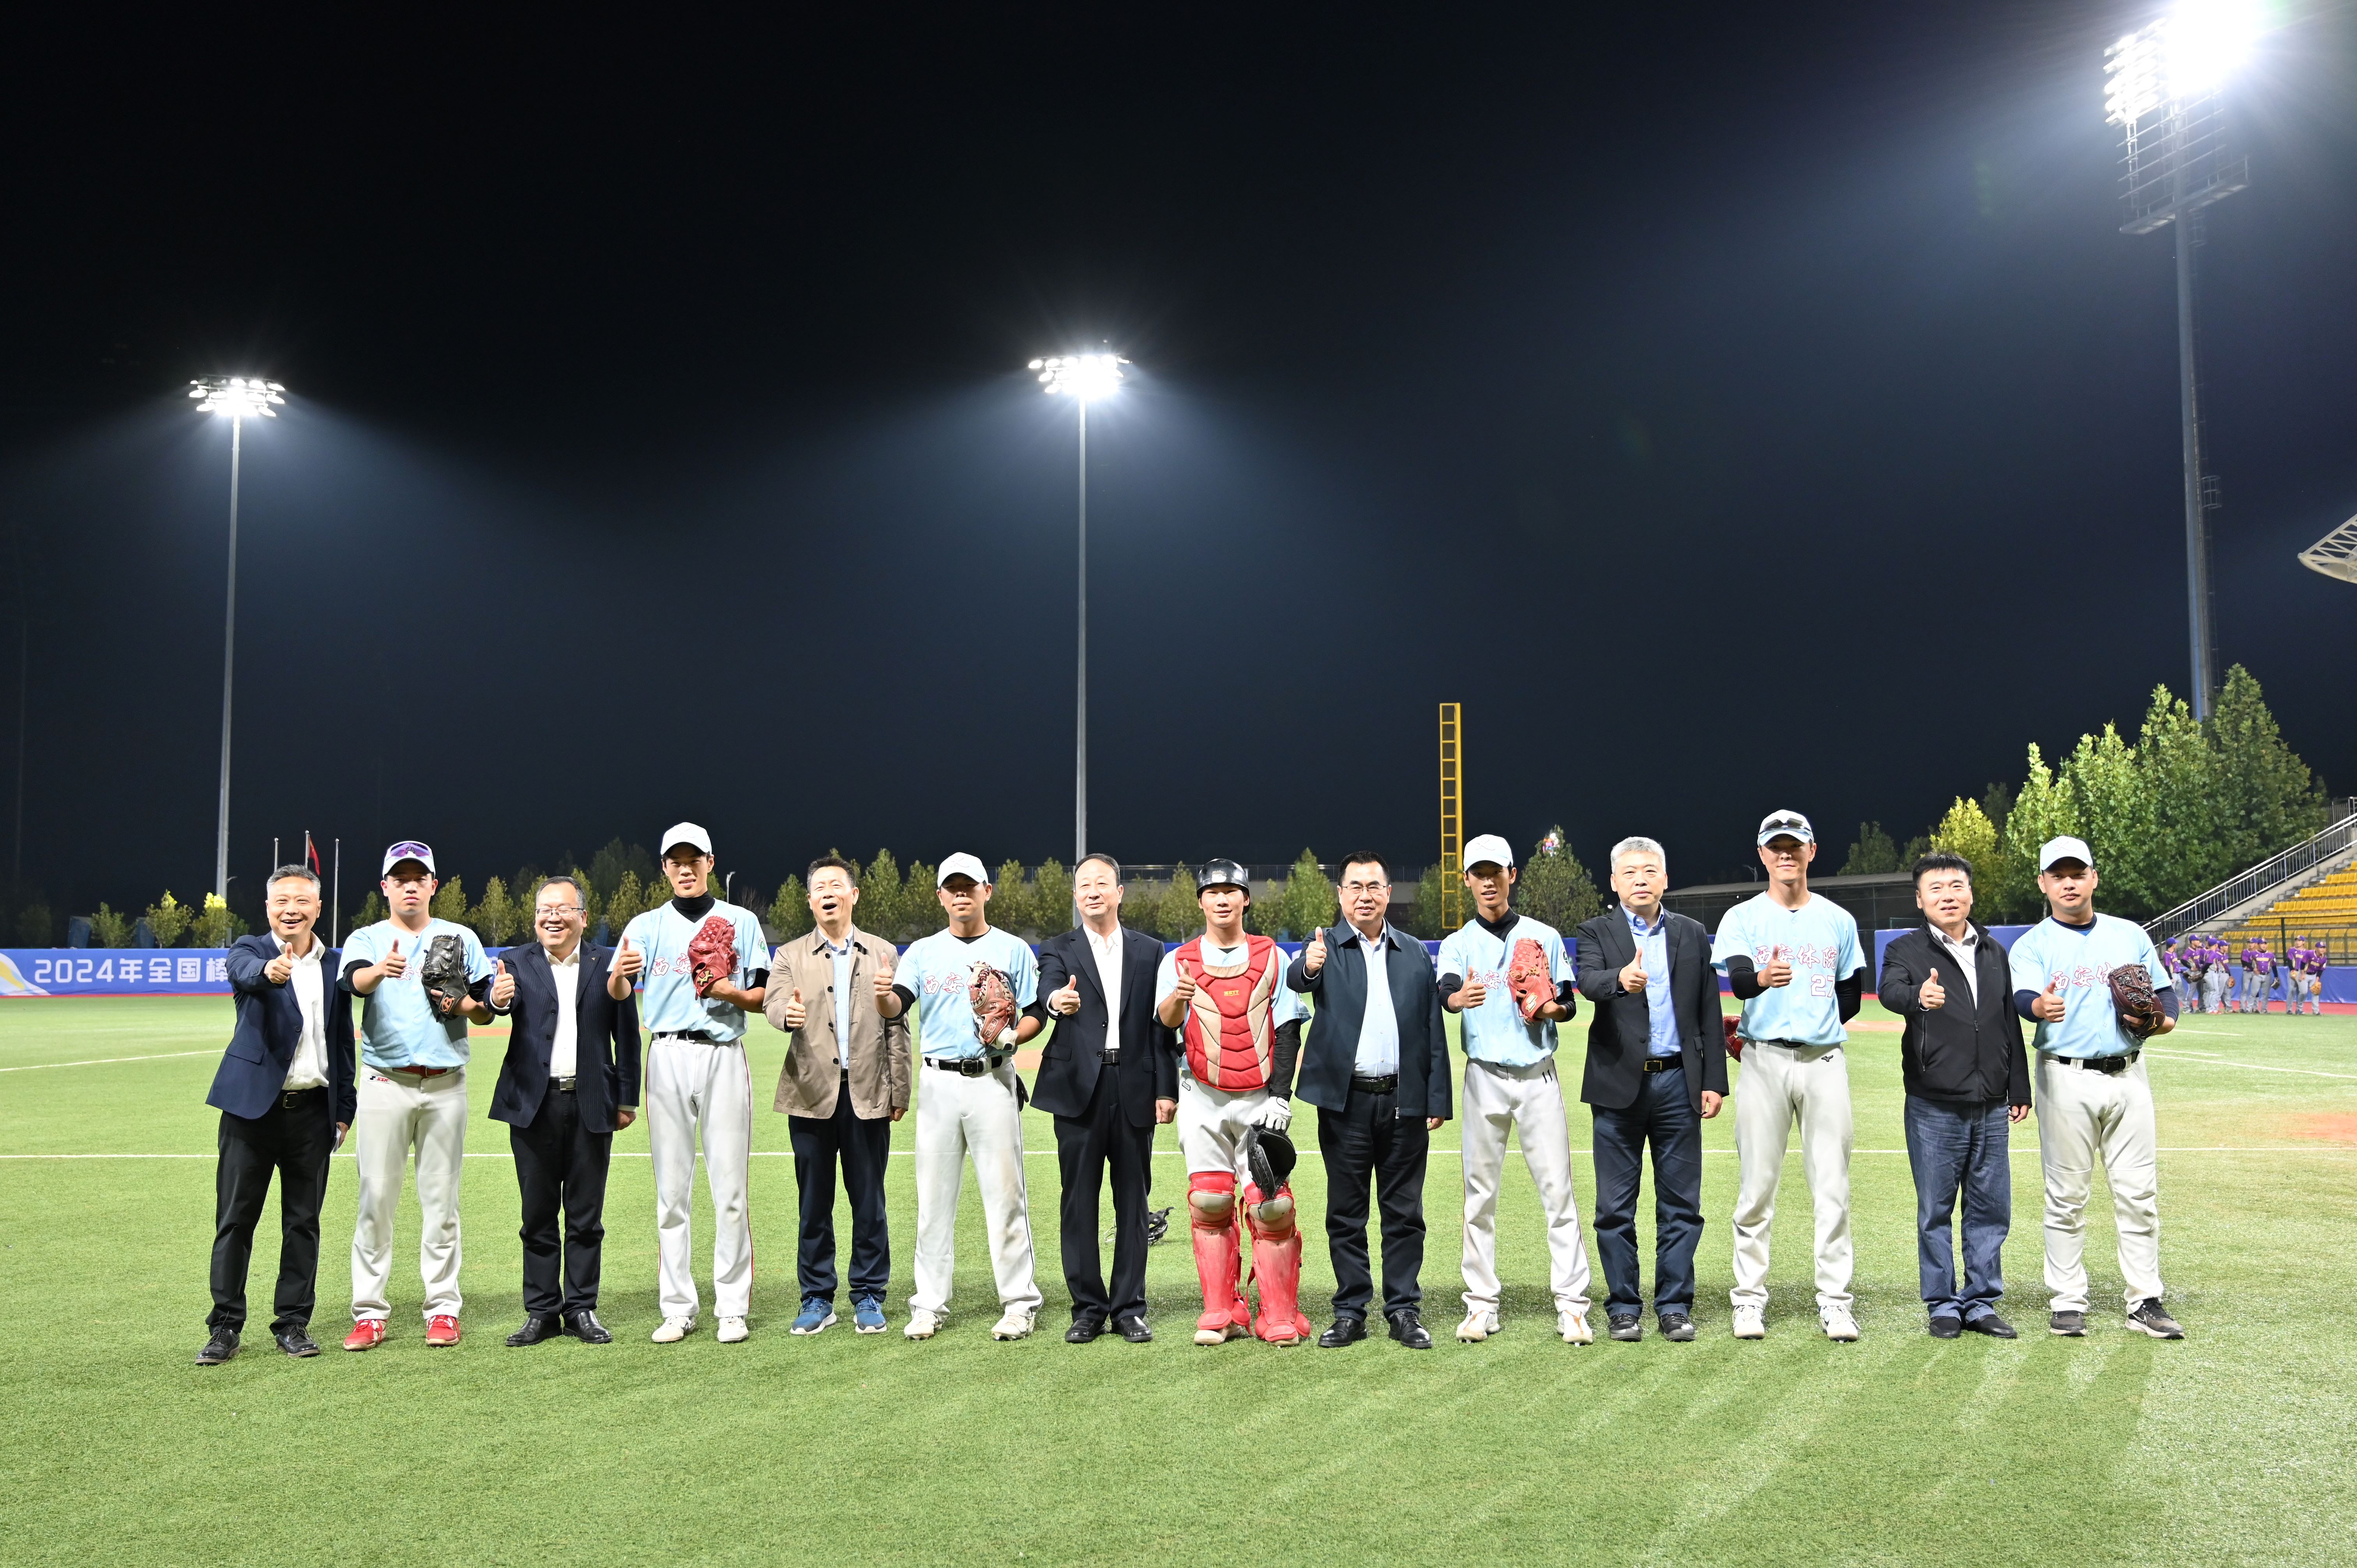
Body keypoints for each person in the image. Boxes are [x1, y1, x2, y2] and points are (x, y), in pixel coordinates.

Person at [2010, 835, 2184, 1338]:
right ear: (2043, 883)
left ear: (2094, 878)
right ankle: (2068, 1301)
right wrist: (2039, 1007)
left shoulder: (2129, 934)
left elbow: (2168, 1002)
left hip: (2130, 1075)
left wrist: (2155, 1022)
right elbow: (2024, 998)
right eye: (2058, 875)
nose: (2069, 883)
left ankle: (2145, 1300)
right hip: (2064, 1076)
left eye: (2078, 873)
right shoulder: (2033, 944)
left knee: (2139, 1193)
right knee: (2066, 1196)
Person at [610, 822, 769, 1345]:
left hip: (723, 1053)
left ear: (710, 863)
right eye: (675, 861)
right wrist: (621, 974)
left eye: (693, 859)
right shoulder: (646, 925)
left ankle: (732, 1307)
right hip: (667, 1055)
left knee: (731, 1190)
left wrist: (726, 990)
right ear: (664, 867)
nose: (684, 868)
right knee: (671, 1193)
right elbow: (618, 991)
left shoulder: (741, 921)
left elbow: (763, 996)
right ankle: (678, 1307)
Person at [1288, 852, 1451, 1351]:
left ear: (1388, 893)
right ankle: (1350, 1312)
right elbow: (1299, 978)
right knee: (1346, 1213)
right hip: (1347, 1103)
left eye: (1374, 886)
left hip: (1404, 1100)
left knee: (1405, 1213)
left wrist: (1437, 1096)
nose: (1365, 895)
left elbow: (1433, 1029)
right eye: (1355, 886)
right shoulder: (1325, 946)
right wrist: (1309, 966)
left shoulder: (1414, 953)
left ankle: (1403, 1310)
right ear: (1341, 895)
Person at [1438, 833, 1595, 1346]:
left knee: (1559, 1194)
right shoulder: (1459, 943)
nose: (1488, 882)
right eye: (1479, 874)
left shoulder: (1542, 936)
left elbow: (1569, 1002)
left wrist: (1551, 1009)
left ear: (1512, 875)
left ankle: (1572, 1306)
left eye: (1496, 872)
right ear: (1467, 880)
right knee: (1479, 1198)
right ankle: (1481, 1305)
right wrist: (1458, 999)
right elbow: (1447, 991)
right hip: (1483, 1077)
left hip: (1537, 1077)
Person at [1714, 810, 1865, 1342]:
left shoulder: (1838, 920)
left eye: (1794, 845)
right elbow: (1738, 981)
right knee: (1756, 1188)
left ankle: (1836, 1302)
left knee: (1833, 1187)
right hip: (1764, 1061)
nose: (1785, 853)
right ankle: (1748, 1300)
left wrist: (1814, 1021)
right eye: (1775, 846)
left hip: (1824, 1062)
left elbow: (1851, 994)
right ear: (1762, 855)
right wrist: (1761, 979)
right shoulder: (1742, 918)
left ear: (1811, 851)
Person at [198, 865, 355, 1365]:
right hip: (250, 1114)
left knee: (303, 1223)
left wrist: (344, 1110)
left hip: (312, 1113)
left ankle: (292, 1323)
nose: (292, 909)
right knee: (235, 1220)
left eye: (302, 900)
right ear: (268, 908)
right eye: (282, 900)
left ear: (318, 908)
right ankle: (225, 1325)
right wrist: (271, 972)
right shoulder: (249, 949)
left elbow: (341, 1040)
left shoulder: (335, 965)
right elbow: (245, 973)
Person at [339, 841, 493, 1350]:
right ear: (385, 886)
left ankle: (443, 1308)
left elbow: (485, 1009)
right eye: (400, 878)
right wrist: (378, 971)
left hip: (446, 1083)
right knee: (375, 1199)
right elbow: (353, 983)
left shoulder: (460, 937)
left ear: (433, 885)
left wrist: (471, 1004)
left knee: (442, 1203)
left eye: (418, 877)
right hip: (386, 1081)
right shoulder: (367, 938)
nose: (410, 885)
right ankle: (369, 1313)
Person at [1572, 836, 1726, 1344]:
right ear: (1614, 882)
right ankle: (1623, 1307)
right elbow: (1588, 982)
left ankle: (1675, 1306)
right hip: (1618, 1083)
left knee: (1681, 1204)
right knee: (1615, 1208)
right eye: (1630, 872)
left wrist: (1714, 1081)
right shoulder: (1595, 931)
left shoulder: (1692, 933)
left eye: (1650, 870)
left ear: (1665, 879)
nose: (1641, 879)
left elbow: (1708, 1009)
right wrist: (1621, 979)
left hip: (1679, 1082)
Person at [890, 853, 1046, 1342]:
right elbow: (897, 1003)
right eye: (952, 887)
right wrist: (880, 997)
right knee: (933, 1201)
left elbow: (1037, 1011)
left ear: (986, 891)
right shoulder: (921, 952)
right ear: (940, 896)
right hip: (938, 1083)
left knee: (1006, 1197)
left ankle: (1019, 1302)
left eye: (970, 886)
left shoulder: (1013, 948)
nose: (961, 894)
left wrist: (1014, 1036)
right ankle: (928, 1304)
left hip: (992, 1080)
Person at [1874, 853, 2030, 1339]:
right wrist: (1918, 997)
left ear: (1971, 893)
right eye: (1936, 888)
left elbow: (2008, 1021)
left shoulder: (1994, 951)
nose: (1948, 895)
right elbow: (1890, 991)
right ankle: (1942, 1303)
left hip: (1992, 1102)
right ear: (1920, 900)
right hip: (1934, 1103)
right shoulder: (1904, 949)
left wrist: (2019, 1085)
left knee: (1990, 1208)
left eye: (1957, 885)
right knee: (1935, 1210)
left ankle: (1980, 1301)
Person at [1156, 858, 1310, 1348]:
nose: (1222, 899)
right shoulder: (1178, 961)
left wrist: (1280, 1097)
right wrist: (1179, 998)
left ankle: (1280, 1312)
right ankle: (1222, 1309)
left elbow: (1287, 1029)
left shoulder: (1273, 957)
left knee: (1272, 1206)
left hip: (1259, 1097)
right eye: (1212, 892)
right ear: (1201, 902)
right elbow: (1164, 1024)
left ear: (1246, 899)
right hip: (1201, 1095)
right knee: (1210, 1200)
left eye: (1231, 891)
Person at [486, 876, 640, 1347]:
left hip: (592, 1101)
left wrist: (627, 1098)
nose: (552, 917)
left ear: (583, 917)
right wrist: (496, 999)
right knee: (536, 1214)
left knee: (585, 1216)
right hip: (533, 1105)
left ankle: (581, 1308)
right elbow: (497, 1005)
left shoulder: (608, 963)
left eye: (563, 909)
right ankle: (541, 1311)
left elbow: (627, 1035)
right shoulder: (515, 961)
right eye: (544, 910)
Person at [763, 855, 910, 1337]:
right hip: (810, 1094)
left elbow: (897, 1025)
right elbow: (772, 1002)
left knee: (869, 1201)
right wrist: (785, 1014)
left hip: (868, 1092)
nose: (828, 893)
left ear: (854, 894)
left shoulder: (883, 952)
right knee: (814, 1202)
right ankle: (817, 1296)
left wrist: (900, 1087)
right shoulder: (790, 955)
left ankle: (869, 1292)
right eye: (819, 887)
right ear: (810, 900)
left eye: (836, 884)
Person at [1036, 853, 1178, 1344]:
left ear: (1119, 892)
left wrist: (1166, 1088)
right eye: (1084, 885)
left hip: (1134, 1085)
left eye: (1102, 883)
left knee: (1133, 1203)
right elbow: (1048, 990)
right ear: (1076, 896)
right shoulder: (1058, 948)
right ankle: (1088, 1309)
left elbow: (1162, 1027)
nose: (1093, 891)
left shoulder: (1150, 951)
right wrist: (1058, 1001)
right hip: (1079, 1088)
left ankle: (1130, 1307)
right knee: (1078, 1202)